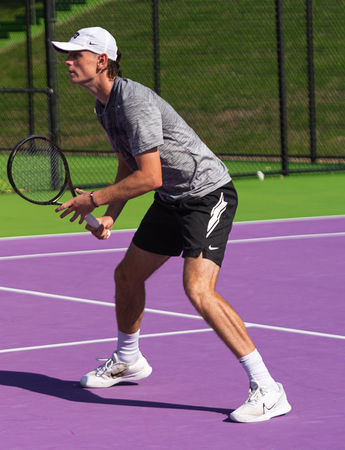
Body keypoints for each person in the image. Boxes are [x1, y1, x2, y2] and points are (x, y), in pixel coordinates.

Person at [51, 27, 291, 423]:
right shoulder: (104, 106)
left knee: (198, 289)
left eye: (77, 54)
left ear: (102, 61)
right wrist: (112, 214)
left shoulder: (133, 103)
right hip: (172, 200)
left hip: (206, 195)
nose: (68, 60)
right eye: (69, 53)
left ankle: (268, 389)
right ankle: (129, 360)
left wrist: (94, 200)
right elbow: (129, 164)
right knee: (127, 276)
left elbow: (151, 177)